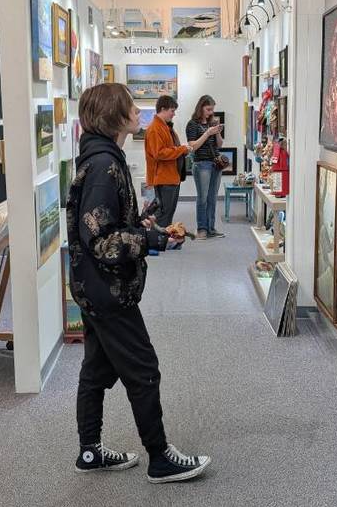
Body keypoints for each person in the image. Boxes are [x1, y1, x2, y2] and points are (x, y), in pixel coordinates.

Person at [67, 82, 211, 483]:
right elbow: (100, 241)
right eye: (132, 106)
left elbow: (103, 226)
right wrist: (151, 239)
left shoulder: (101, 157)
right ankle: (160, 458)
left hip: (94, 287)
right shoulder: (103, 167)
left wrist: (137, 223)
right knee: (144, 369)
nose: (138, 112)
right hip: (107, 290)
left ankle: (90, 452)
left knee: (96, 370)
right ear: (114, 116)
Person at [144, 94, 218, 227]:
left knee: (167, 213)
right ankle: (159, 238)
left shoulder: (165, 127)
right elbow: (159, 153)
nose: (174, 114)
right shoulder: (155, 129)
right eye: (172, 111)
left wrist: (181, 149)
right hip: (164, 178)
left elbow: (168, 149)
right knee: (164, 214)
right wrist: (182, 149)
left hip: (170, 176)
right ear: (163, 109)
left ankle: (163, 237)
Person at [186, 95, 225, 239]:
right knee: (202, 198)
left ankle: (211, 228)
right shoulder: (192, 124)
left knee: (212, 198)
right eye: (208, 109)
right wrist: (207, 133)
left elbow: (219, 145)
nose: (211, 112)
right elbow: (193, 146)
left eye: (212, 110)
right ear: (200, 108)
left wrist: (217, 132)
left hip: (215, 164)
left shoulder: (211, 124)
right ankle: (202, 229)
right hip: (202, 164)